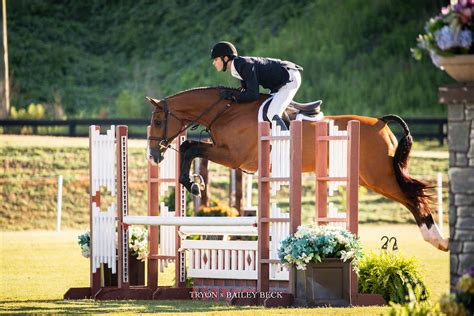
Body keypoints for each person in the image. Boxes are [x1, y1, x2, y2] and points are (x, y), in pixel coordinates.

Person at [211, 41, 303, 130]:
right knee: (265, 109)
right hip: (279, 83)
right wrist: (231, 95)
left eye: (216, 59)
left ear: (226, 58)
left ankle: (288, 140)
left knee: (272, 113)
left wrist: (231, 95)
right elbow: (245, 91)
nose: (214, 63)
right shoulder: (237, 67)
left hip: (289, 78)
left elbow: (253, 94)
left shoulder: (242, 65)